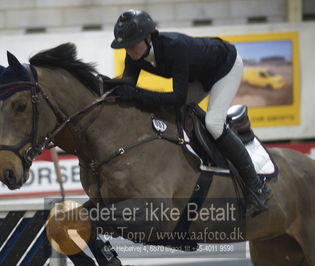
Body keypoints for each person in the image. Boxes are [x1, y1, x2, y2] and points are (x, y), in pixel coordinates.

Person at [111, 9, 272, 217]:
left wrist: (136, 94)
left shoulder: (174, 47)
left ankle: (256, 186)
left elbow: (175, 97)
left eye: (133, 44)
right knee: (169, 114)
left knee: (214, 123)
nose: (130, 51)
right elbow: (128, 89)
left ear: (148, 37)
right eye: (125, 46)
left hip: (225, 66)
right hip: (197, 75)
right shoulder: (134, 55)